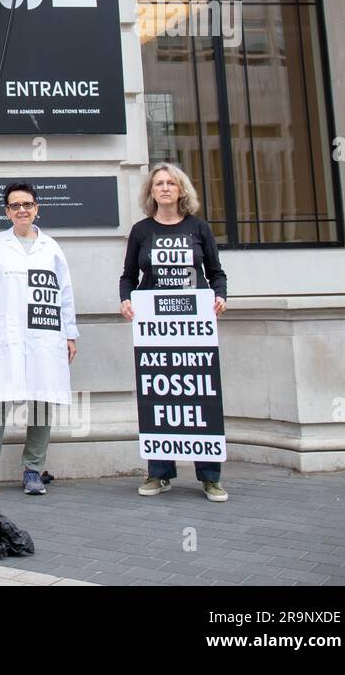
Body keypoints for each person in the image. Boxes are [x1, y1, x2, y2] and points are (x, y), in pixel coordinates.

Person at [0, 182, 78, 496]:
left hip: (44, 337)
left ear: (36, 208)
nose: (22, 210)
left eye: (27, 204)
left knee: (40, 402)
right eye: (15, 206)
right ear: (7, 212)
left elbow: (65, 294)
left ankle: (33, 471)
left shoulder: (51, 248)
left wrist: (70, 335)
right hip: (7, 338)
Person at [120, 163, 229, 502]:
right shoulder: (141, 231)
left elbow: (215, 272)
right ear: (151, 192)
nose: (164, 188)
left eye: (170, 183)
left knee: (199, 396)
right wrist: (126, 300)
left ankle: (210, 477)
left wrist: (221, 296)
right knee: (160, 396)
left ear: (182, 190)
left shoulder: (199, 228)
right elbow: (128, 276)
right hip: (156, 330)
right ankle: (159, 473)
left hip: (194, 329)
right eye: (158, 184)